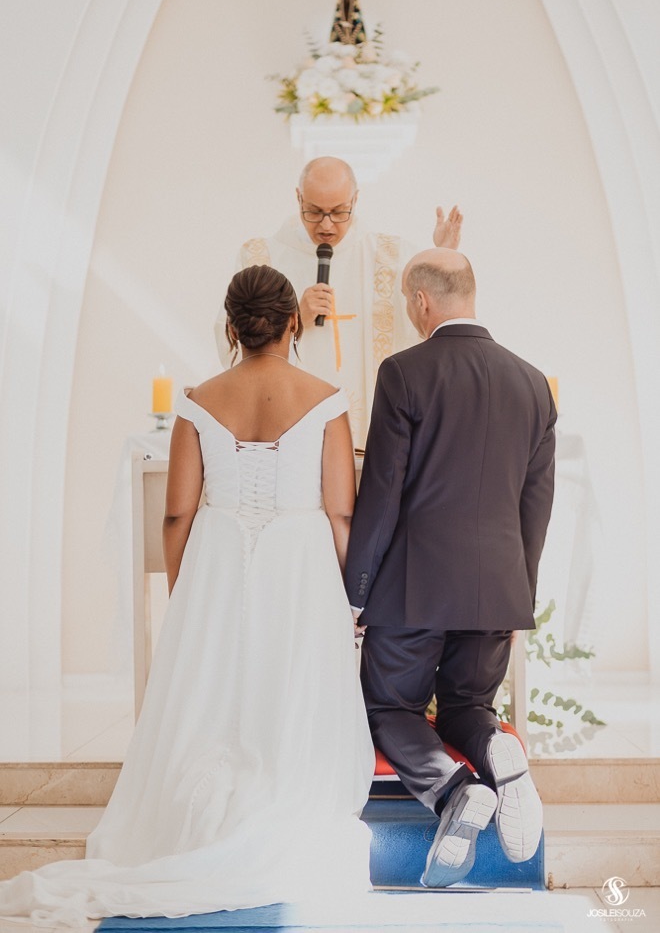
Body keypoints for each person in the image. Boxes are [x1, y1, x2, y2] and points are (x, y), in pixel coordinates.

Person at [0, 267, 374, 924]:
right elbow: (342, 513)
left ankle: (194, 818)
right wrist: (352, 601)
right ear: (292, 324)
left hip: (217, 557)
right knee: (287, 690)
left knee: (212, 695)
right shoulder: (327, 398)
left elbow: (176, 515)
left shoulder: (200, 400)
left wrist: (189, 589)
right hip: (300, 561)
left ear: (232, 327)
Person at [344, 247, 556, 888]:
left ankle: (454, 790)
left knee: (388, 704)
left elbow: (382, 492)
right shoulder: (533, 383)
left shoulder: (404, 373)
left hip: (414, 587)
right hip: (497, 586)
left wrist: (355, 592)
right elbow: (536, 506)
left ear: (420, 302)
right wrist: (520, 594)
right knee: (468, 703)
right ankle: (501, 755)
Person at [214, 157, 463, 447]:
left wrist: (443, 255)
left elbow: (428, 325)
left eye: (338, 212)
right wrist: (291, 319)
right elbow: (229, 338)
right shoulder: (261, 257)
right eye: (315, 212)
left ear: (355, 200)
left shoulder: (391, 256)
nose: (327, 225)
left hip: (371, 438)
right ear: (298, 198)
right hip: (286, 434)